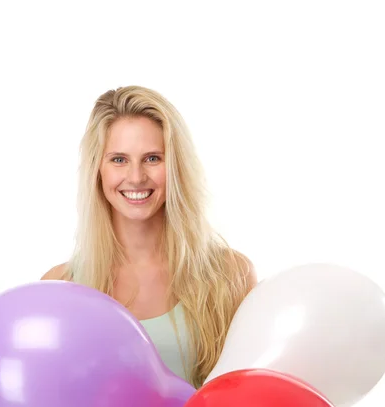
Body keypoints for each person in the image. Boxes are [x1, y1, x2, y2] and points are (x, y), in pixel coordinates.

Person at [41, 85, 257, 388]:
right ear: (97, 170)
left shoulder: (229, 275)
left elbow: (250, 392)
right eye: (119, 159)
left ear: (176, 167)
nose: (136, 177)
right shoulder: (59, 286)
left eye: (153, 158)